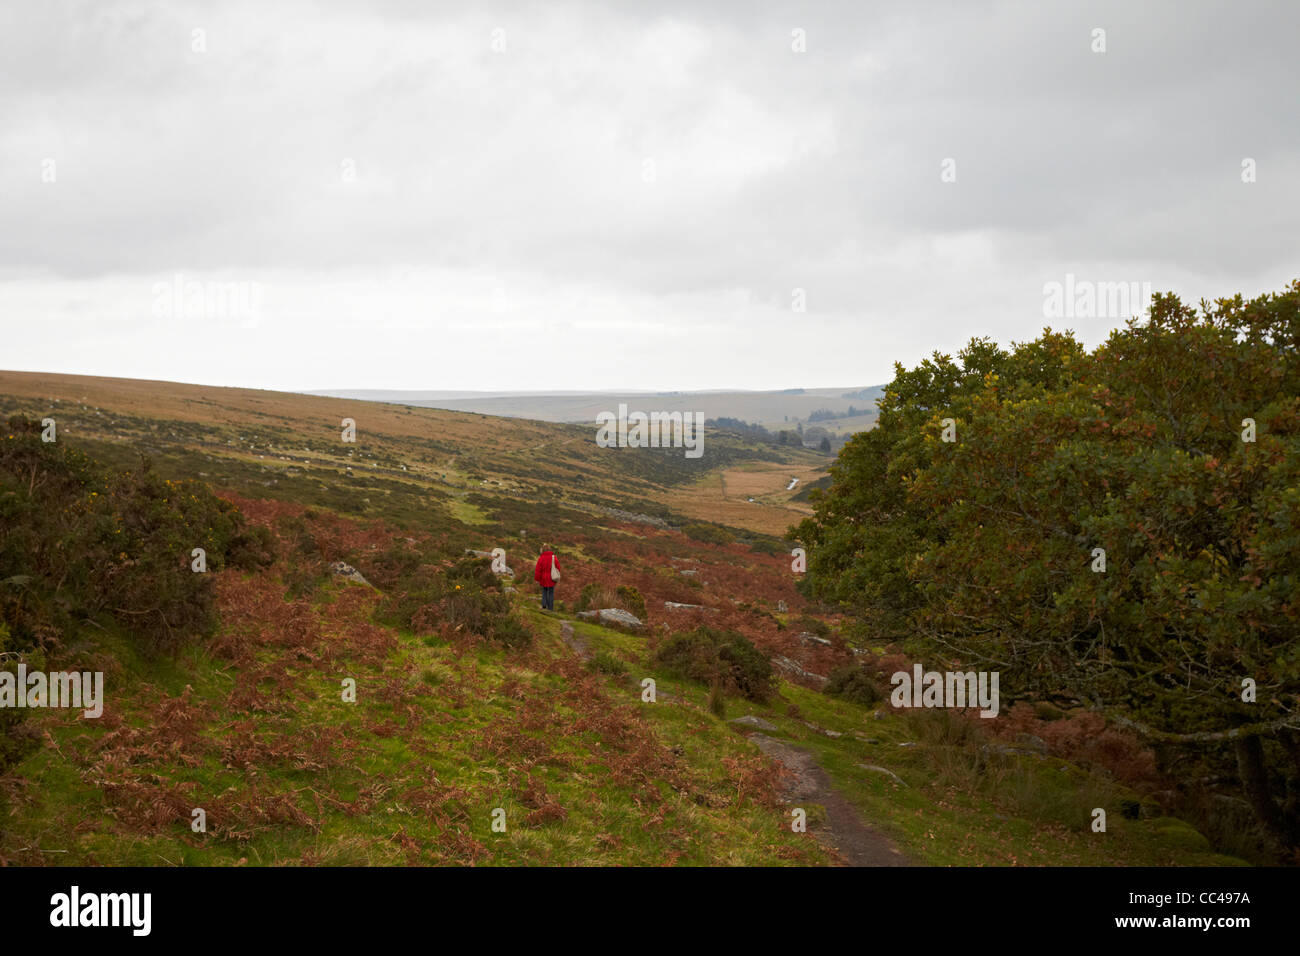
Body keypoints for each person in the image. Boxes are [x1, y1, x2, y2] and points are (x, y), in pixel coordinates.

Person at [533, 543, 559, 611]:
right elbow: (558, 567)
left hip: (543, 578)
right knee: (551, 592)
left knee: (544, 591)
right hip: (551, 578)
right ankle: (550, 608)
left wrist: (537, 579)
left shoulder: (541, 558)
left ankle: (544, 605)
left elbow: (538, 570)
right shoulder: (554, 557)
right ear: (549, 549)